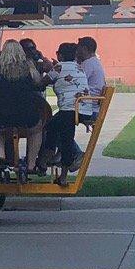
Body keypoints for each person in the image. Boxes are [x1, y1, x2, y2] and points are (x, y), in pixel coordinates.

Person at [0, 42, 49, 179]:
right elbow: (38, 82)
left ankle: (1, 156)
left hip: (1, 114)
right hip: (26, 114)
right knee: (36, 130)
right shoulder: (29, 66)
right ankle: (31, 165)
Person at [46, 40, 86, 177]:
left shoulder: (59, 67)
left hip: (69, 110)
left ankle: (53, 160)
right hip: (83, 108)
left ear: (60, 55)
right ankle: (54, 157)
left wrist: (47, 69)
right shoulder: (78, 67)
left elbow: (41, 83)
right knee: (55, 127)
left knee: (61, 136)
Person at [76, 35, 107, 135]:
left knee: (58, 122)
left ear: (84, 49)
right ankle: (72, 150)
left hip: (88, 109)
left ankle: (73, 150)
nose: (76, 51)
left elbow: (76, 81)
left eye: (78, 48)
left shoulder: (88, 64)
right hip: (93, 107)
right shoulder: (94, 62)